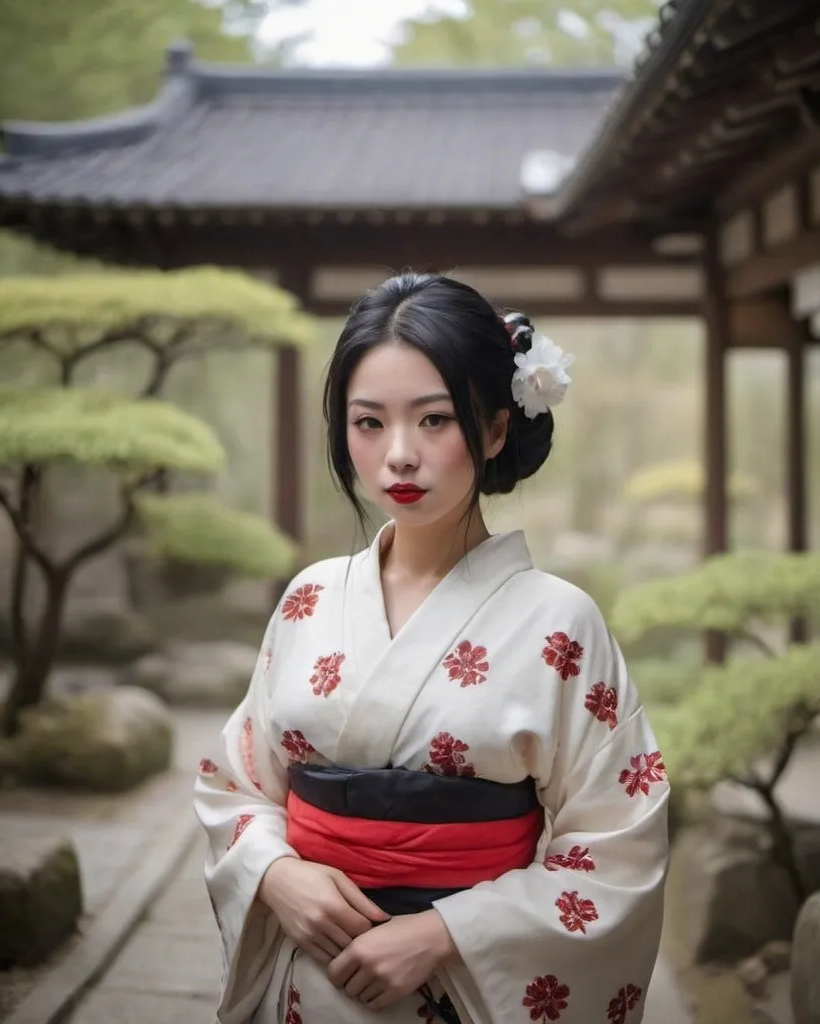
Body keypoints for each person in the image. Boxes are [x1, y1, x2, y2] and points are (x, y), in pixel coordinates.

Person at [193, 272, 669, 1024]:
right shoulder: (309, 600)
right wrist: (275, 871)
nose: (399, 456)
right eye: (369, 423)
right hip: (305, 979)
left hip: (459, 989)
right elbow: (238, 786)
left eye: (435, 420)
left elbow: (619, 848)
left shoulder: (561, 623)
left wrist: (448, 931)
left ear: (494, 430)